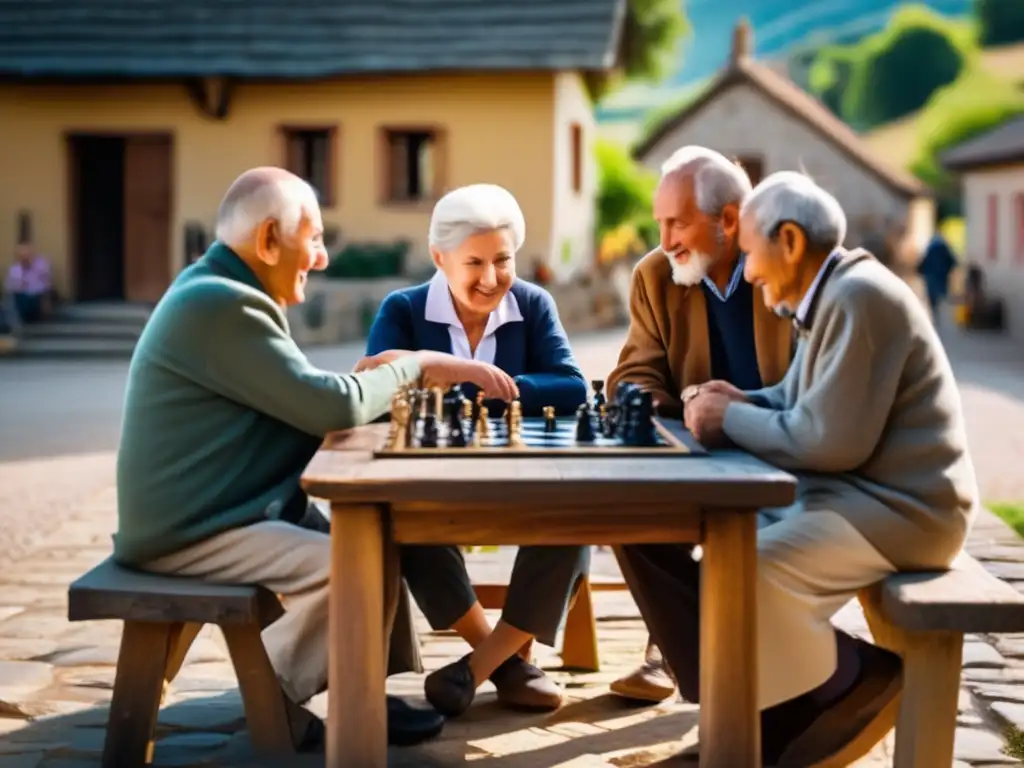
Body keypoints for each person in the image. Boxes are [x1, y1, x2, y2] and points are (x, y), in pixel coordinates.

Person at [114, 167, 521, 750]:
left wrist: (357, 388)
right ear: (269, 240)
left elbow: (299, 396)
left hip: (218, 508)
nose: (324, 258)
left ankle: (361, 690)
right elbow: (328, 409)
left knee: (373, 541)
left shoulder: (222, 293)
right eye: (315, 238)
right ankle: (279, 694)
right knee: (352, 562)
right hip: (193, 528)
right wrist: (419, 366)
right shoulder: (221, 304)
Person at [623, 171, 979, 766]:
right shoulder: (835, 293)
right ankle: (752, 729)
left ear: (789, 242)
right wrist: (735, 400)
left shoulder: (859, 298)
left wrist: (726, 420)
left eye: (755, 255)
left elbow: (828, 442)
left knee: (751, 571)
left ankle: (851, 683)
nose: (752, 272)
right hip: (861, 497)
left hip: (908, 511)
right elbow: (795, 397)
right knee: (725, 553)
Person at [360, 183, 590, 718]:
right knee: (399, 515)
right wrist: (473, 377)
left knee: (578, 510)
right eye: (474, 263)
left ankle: (477, 666)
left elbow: (572, 386)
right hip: (439, 481)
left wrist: (468, 388)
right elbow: (373, 384)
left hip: (525, 481)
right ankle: (507, 664)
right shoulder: (404, 308)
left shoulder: (532, 304)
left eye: (503, 261)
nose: (491, 279)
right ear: (440, 258)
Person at [606, 147, 793, 703]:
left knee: (742, 541)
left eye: (678, 223)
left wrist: (741, 411)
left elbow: (818, 391)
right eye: (660, 223)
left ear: (729, 220)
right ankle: (708, 680)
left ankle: (738, 688)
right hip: (697, 455)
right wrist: (670, 398)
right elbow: (633, 371)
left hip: (784, 452)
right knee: (629, 520)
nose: (665, 241)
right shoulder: (655, 275)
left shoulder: (785, 271)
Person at [4, 243, 52, 324]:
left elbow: (45, 283)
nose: (25, 258)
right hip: (21, 296)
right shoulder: (15, 269)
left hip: (37, 295)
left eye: (27, 255)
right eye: (22, 256)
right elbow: (9, 286)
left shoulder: (40, 266)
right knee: (19, 298)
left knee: (33, 297)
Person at [917, 231, 957, 323]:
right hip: (941, 278)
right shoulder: (944, 249)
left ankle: (935, 316)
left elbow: (923, 263)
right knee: (941, 297)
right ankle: (940, 318)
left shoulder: (930, 249)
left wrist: (922, 271)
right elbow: (953, 262)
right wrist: (947, 270)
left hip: (931, 278)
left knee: (932, 299)